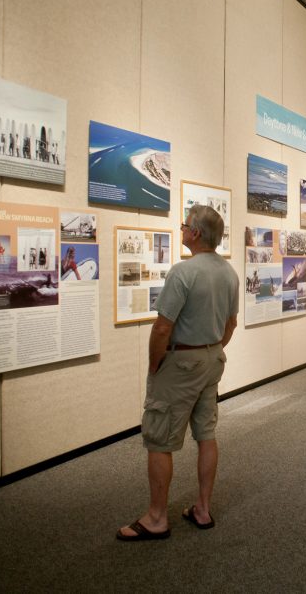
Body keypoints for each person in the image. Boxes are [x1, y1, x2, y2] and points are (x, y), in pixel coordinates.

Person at [117, 205, 239, 542]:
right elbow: (230, 325)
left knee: (159, 439)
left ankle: (157, 518)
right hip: (212, 361)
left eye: (185, 226)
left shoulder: (182, 272)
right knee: (206, 433)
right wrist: (212, 349)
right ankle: (203, 507)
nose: (182, 229)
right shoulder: (229, 273)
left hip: (180, 363)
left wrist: (156, 364)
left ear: (195, 233)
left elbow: (162, 328)